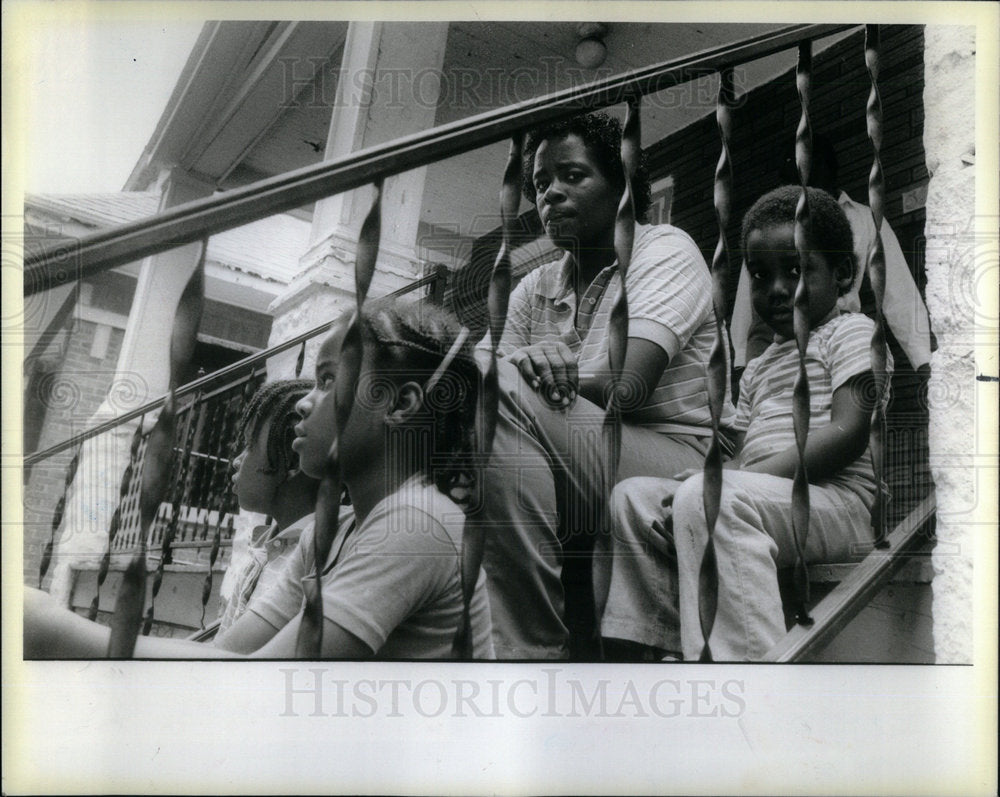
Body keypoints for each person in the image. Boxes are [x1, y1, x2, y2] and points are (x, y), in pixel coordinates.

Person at [24, 297, 494, 659]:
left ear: (401, 404)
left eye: (328, 380)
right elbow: (228, 655)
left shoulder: (417, 524)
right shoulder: (330, 533)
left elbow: (262, 680)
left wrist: (51, 630)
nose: (305, 403)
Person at [471, 111, 735, 660]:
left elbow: (628, 388)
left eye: (573, 176)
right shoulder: (532, 288)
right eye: (541, 184)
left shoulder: (663, 248)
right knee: (476, 399)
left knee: (499, 389)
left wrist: (536, 368)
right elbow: (482, 372)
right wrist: (527, 362)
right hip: (581, 450)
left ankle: (529, 651)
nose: (551, 195)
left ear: (621, 185)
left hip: (676, 454)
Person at [609, 185, 891, 661]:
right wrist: (713, 476)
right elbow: (745, 452)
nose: (777, 289)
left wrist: (726, 482)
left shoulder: (854, 332)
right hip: (774, 499)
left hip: (841, 505)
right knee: (632, 497)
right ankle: (659, 649)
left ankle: (748, 673)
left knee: (710, 495)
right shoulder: (759, 366)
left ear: (842, 273)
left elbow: (847, 434)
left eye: (797, 270)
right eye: (761, 275)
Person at [730, 134, 933, 373]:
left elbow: (899, 294)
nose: (797, 168)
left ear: (831, 166)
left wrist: (924, 361)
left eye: (809, 159)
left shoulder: (865, 219)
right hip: (771, 339)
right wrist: (741, 361)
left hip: (836, 335)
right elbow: (748, 294)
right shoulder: (767, 227)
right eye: (788, 162)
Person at [214, 379, 319, 638]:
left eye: (250, 445)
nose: (237, 460)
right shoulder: (264, 548)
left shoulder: (313, 560)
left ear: (294, 460)